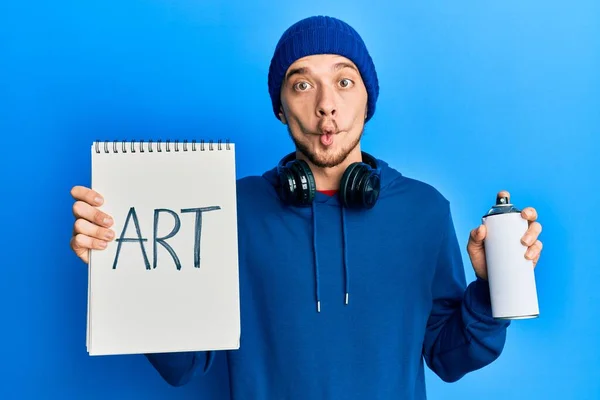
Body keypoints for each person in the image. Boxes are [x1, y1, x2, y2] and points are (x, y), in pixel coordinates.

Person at [69, 15, 544, 399]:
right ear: (279, 105)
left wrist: (491, 291)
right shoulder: (226, 209)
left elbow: (448, 358)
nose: (325, 106)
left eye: (344, 81)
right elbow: (185, 366)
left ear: (367, 100)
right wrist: (124, 265)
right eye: (302, 85)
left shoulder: (425, 210)